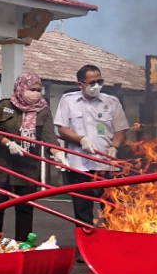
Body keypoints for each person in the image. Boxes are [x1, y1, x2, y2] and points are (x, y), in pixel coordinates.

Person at [0, 73, 68, 241]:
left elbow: (48, 136)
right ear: (21, 88)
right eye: (32, 89)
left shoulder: (43, 111)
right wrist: (7, 143)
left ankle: (22, 246)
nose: (36, 94)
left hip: (27, 167)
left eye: (39, 90)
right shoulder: (4, 106)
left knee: (25, 208)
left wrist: (58, 154)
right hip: (1, 166)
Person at [54, 64, 129, 226]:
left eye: (99, 81)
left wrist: (114, 147)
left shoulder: (112, 102)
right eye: (91, 83)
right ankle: (85, 246)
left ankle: (113, 243)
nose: (96, 86)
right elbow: (62, 128)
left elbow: (120, 130)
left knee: (112, 208)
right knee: (82, 210)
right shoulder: (68, 101)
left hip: (108, 165)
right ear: (80, 84)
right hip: (79, 164)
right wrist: (80, 139)